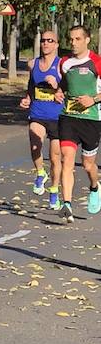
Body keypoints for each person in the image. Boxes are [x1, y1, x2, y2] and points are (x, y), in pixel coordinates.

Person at [55, 24, 101, 222]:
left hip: (91, 119)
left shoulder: (97, 62)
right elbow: (64, 84)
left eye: (77, 39)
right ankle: (67, 204)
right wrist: (58, 91)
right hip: (69, 117)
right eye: (71, 39)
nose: (73, 43)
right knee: (66, 158)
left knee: (88, 165)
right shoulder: (64, 62)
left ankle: (95, 187)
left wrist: (94, 99)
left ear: (87, 40)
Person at [19, 30, 64, 209]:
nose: (46, 43)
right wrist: (27, 98)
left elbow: (68, 88)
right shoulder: (33, 64)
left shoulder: (62, 65)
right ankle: (40, 173)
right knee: (34, 144)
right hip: (38, 112)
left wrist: (57, 86)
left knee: (55, 157)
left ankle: (54, 191)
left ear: (56, 44)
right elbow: (31, 85)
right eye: (43, 40)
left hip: (58, 116)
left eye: (50, 40)